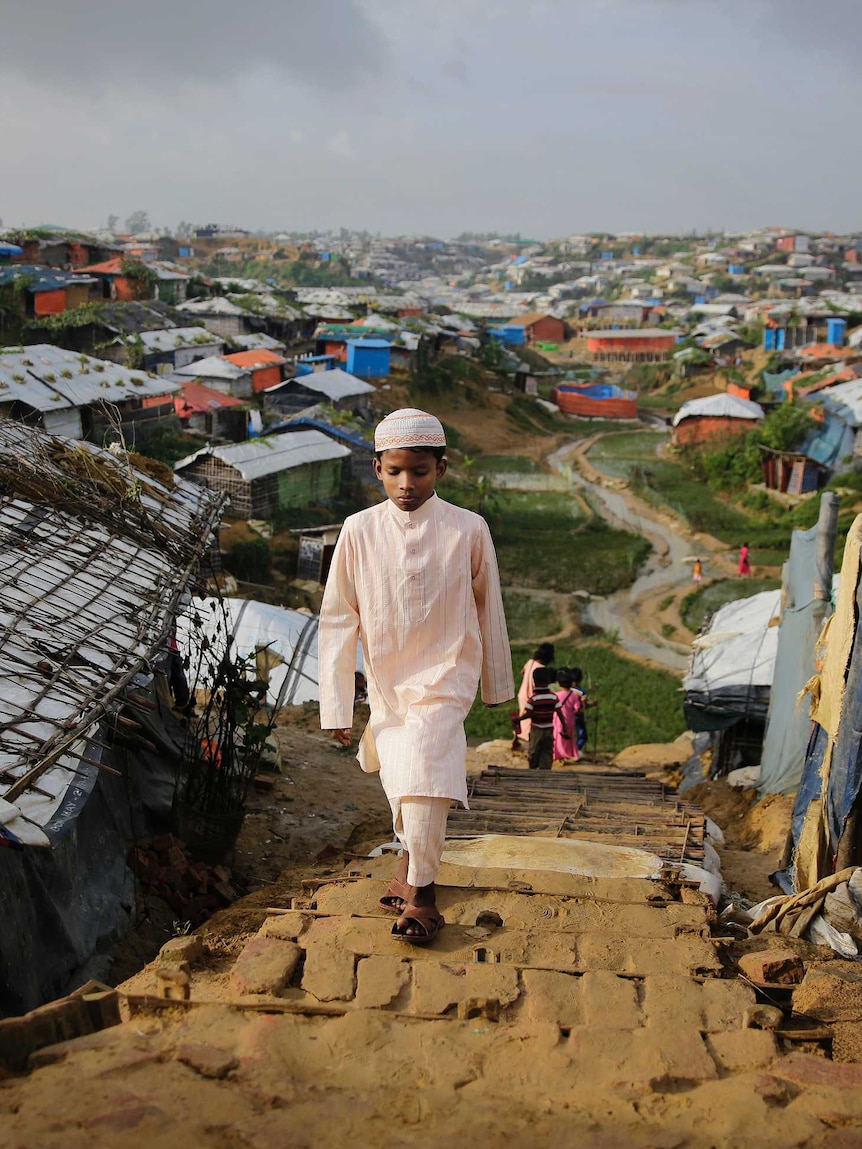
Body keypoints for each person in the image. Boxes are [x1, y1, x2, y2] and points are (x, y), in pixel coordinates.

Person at [318, 408, 514, 946]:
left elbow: (488, 606)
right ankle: (411, 864)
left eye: (420, 472)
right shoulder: (357, 532)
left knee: (425, 775)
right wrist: (336, 707)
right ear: (376, 468)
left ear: (441, 470)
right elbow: (338, 619)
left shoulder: (469, 529)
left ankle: (423, 894)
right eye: (396, 471)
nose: (407, 484)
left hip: (448, 674)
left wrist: (498, 685)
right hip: (388, 680)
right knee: (403, 779)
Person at [518, 666, 566, 770]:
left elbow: (529, 714)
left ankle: (533, 767)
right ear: (548, 681)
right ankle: (545, 769)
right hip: (549, 729)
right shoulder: (553, 697)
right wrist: (564, 726)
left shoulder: (533, 699)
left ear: (534, 681)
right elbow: (560, 713)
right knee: (547, 750)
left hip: (536, 729)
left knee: (533, 750)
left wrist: (518, 719)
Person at [517, 642, 555, 743]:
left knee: (523, 717)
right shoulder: (541, 669)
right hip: (532, 695)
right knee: (531, 720)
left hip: (522, 694)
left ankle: (520, 736)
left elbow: (522, 672)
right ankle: (527, 739)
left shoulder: (530, 662)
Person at [553, 667, 581, 762]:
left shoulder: (556, 695)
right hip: (569, 720)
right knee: (569, 737)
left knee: (558, 737)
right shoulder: (574, 695)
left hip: (557, 720)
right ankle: (569, 753)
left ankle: (558, 755)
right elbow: (577, 709)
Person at [571, 667, 591, 752]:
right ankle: (576, 750)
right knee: (583, 736)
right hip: (578, 716)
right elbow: (584, 706)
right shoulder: (582, 692)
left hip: (568, 715)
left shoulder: (567, 690)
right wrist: (593, 704)